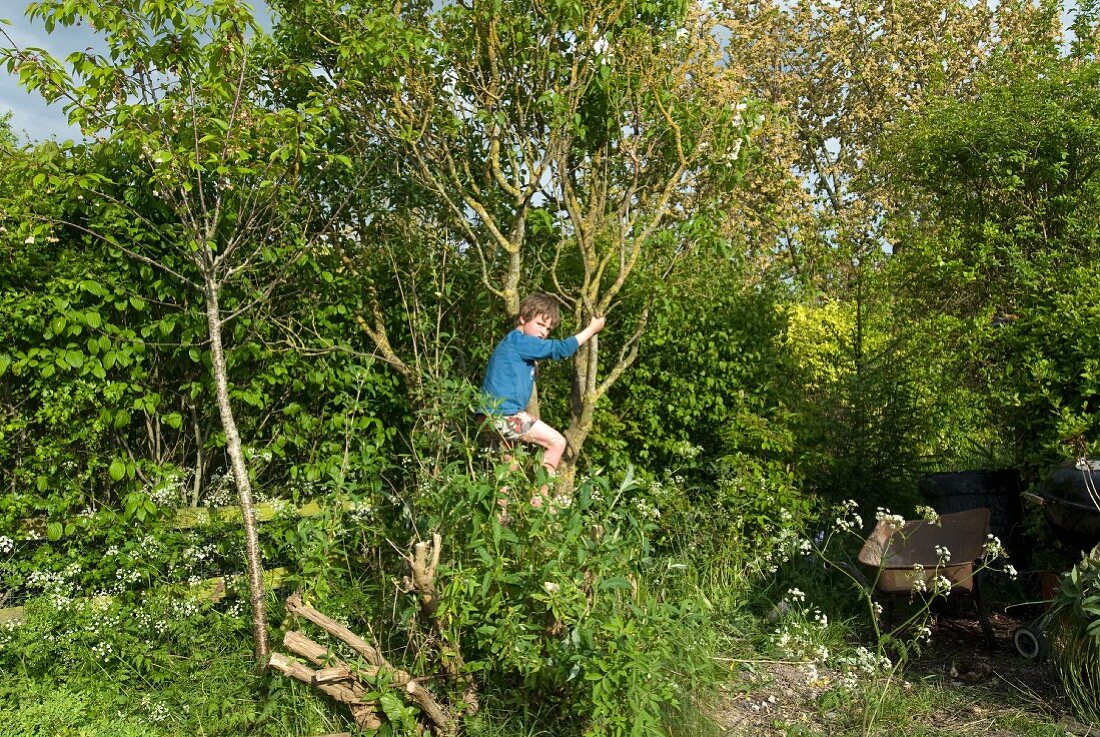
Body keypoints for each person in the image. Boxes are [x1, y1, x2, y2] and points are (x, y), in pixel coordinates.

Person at [480, 293, 606, 477]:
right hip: (502, 416)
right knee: (557, 442)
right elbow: (561, 349)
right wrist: (592, 329)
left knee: (510, 466)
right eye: (540, 324)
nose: (543, 332)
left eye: (548, 329)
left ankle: (501, 506)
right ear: (523, 318)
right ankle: (541, 503)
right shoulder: (519, 340)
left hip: (488, 416)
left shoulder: (514, 343)